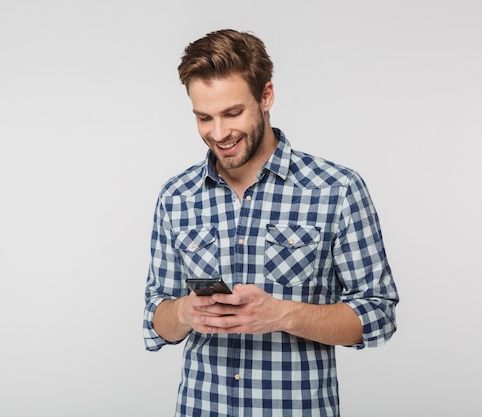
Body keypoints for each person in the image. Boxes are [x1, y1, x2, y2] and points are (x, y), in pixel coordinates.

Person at [143, 29, 399, 417]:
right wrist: (184, 313)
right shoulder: (175, 197)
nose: (218, 133)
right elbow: (155, 317)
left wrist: (281, 314)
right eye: (203, 117)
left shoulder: (336, 189)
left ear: (266, 97)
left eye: (232, 113)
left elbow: (378, 314)